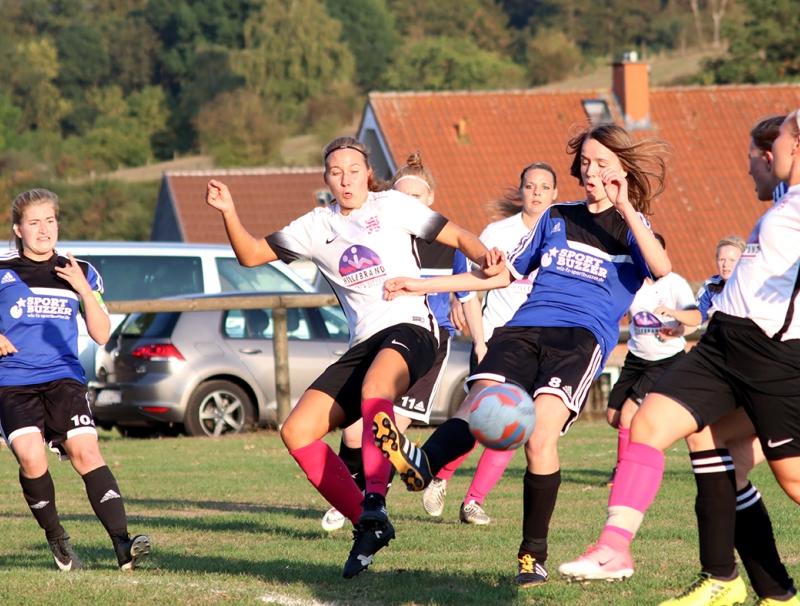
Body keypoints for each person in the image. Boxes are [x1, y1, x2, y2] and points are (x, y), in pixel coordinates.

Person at [558, 104, 800, 606]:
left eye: (774, 143)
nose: (762, 155)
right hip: (723, 344)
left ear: (796, 144)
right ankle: (615, 549)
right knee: (650, 423)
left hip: (778, 354)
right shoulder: (787, 199)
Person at [379, 122, 672, 587]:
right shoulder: (556, 216)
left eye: (602, 163)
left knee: (539, 439)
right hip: (523, 328)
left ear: (621, 169)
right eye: (586, 162)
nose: (591, 171)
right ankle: (423, 463)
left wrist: (627, 207)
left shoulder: (633, 226)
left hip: (579, 340)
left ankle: (532, 555)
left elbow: (661, 267)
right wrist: (421, 285)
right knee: (480, 404)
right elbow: (501, 276)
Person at [205, 137, 491, 579]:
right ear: (326, 178)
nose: (345, 179)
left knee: (376, 388)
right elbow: (250, 254)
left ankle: (375, 498)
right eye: (336, 172)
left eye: (353, 171)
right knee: (297, 431)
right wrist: (228, 211)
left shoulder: (392, 205)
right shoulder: (316, 224)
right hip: (364, 344)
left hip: (412, 328)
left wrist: (486, 257)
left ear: (367, 174)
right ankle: (368, 523)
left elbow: (459, 237)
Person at [661, 115, 800, 606]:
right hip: (790, 347)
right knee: (721, 456)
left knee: (792, 476)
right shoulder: (789, 201)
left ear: (773, 154)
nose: (749, 170)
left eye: (753, 158)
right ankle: (773, 594)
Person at [0, 189, 151, 572]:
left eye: (50, 221)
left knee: (86, 452)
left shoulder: (81, 270)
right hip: (13, 381)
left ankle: (123, 545)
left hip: (64, 378)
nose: (44, 230)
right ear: (18, 229)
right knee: (32, 457)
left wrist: (83, 289)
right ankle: (57, 539)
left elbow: (102, 333)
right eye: (34, 223)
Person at [320, 150, 471, 532]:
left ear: (430, 199)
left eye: (415, 197)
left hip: (429, 344)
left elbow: (468, 289)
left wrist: (472, 326)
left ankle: (373, 501)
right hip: (385, 338)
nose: (408, 204)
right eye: (401, 197)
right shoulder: (384, 235)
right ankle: (350, 494)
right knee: (354, 431)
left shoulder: (447, 242)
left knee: (389, 432)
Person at [423, 162, 559, 526]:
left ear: (555, 194)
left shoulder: (561, 236)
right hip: (498, 341)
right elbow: (467, 281)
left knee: (516, 426)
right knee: (479, 419)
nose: (536, 193)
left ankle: (473, 502)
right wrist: (478, 338)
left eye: (544, 187)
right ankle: (439, 477)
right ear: (521, 190)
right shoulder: (498, 232)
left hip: (541, 346)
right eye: (530, 186)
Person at [603, 233, 697, 486]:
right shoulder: (630, 282)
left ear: (663, 255)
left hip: (666, 361)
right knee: (613, 417)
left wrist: (676, 323)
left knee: (628, 415)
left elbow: (695, 318)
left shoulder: (675, 284)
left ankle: (624, 471)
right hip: (636, 359)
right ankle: (655, 434)